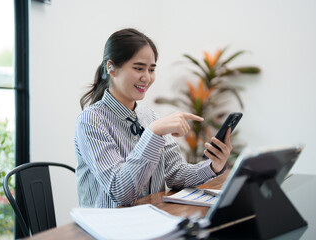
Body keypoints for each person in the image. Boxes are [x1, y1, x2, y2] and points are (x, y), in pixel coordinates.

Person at [74, 28, 232, 208]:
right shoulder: (91, 121)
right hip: (106, 228)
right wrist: (153, 133)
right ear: (111, 67)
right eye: (138, 68)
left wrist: (213, 166)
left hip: (149, 221)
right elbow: (120, 191)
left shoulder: (150, 117)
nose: (147, 78)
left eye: (151, 69)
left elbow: (176, 174)